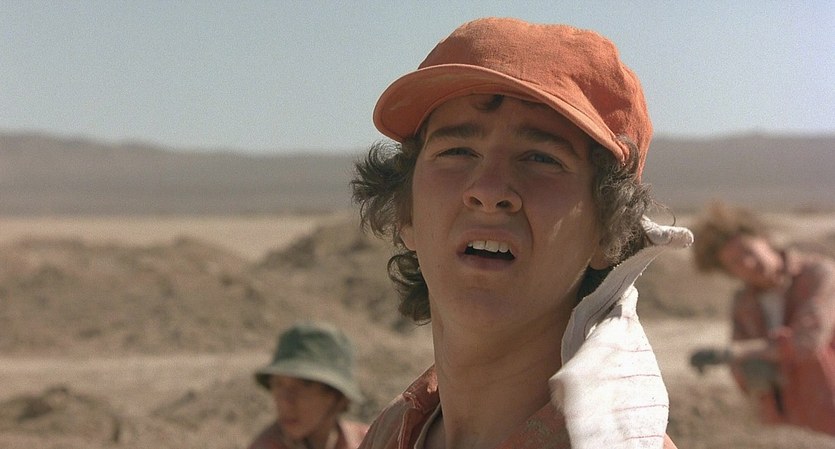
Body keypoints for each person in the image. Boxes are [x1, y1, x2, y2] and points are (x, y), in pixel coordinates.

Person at [351, 17, 692, 449]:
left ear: (609, 233)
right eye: (457, 151)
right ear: (406, 214)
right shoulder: (391, 434)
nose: (489, 191)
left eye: (541, 158)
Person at [689, 202, 835, 436]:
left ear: (764, 240)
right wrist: (745, 369)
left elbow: (807, 341)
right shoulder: (744, 304)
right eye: (735, 263)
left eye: (748, 251)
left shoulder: (818, 275)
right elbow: (742, 366)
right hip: (785, 419)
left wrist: (736, 353)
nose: (748, 264)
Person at [248, 321, 369, 449]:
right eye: (278, 384)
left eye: (304, 385)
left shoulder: (370, 441)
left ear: (338, 397)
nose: (285, 402)